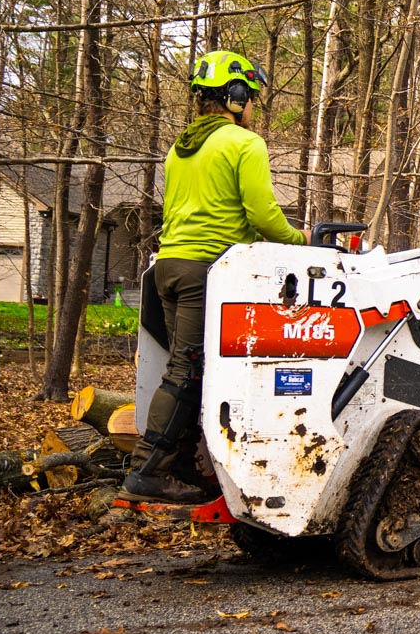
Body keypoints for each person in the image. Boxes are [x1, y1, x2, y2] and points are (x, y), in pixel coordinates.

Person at [120, 50, 307, 503]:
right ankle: (147, 469)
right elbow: (262, 214)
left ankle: (183, 463)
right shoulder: (244, 144)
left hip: (168, 266)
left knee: (194, 370)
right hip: (206, 272)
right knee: (186, 371)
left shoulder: (181, 147)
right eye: (250, 96)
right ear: (236, 94)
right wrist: (300, 240)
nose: (252, 106)